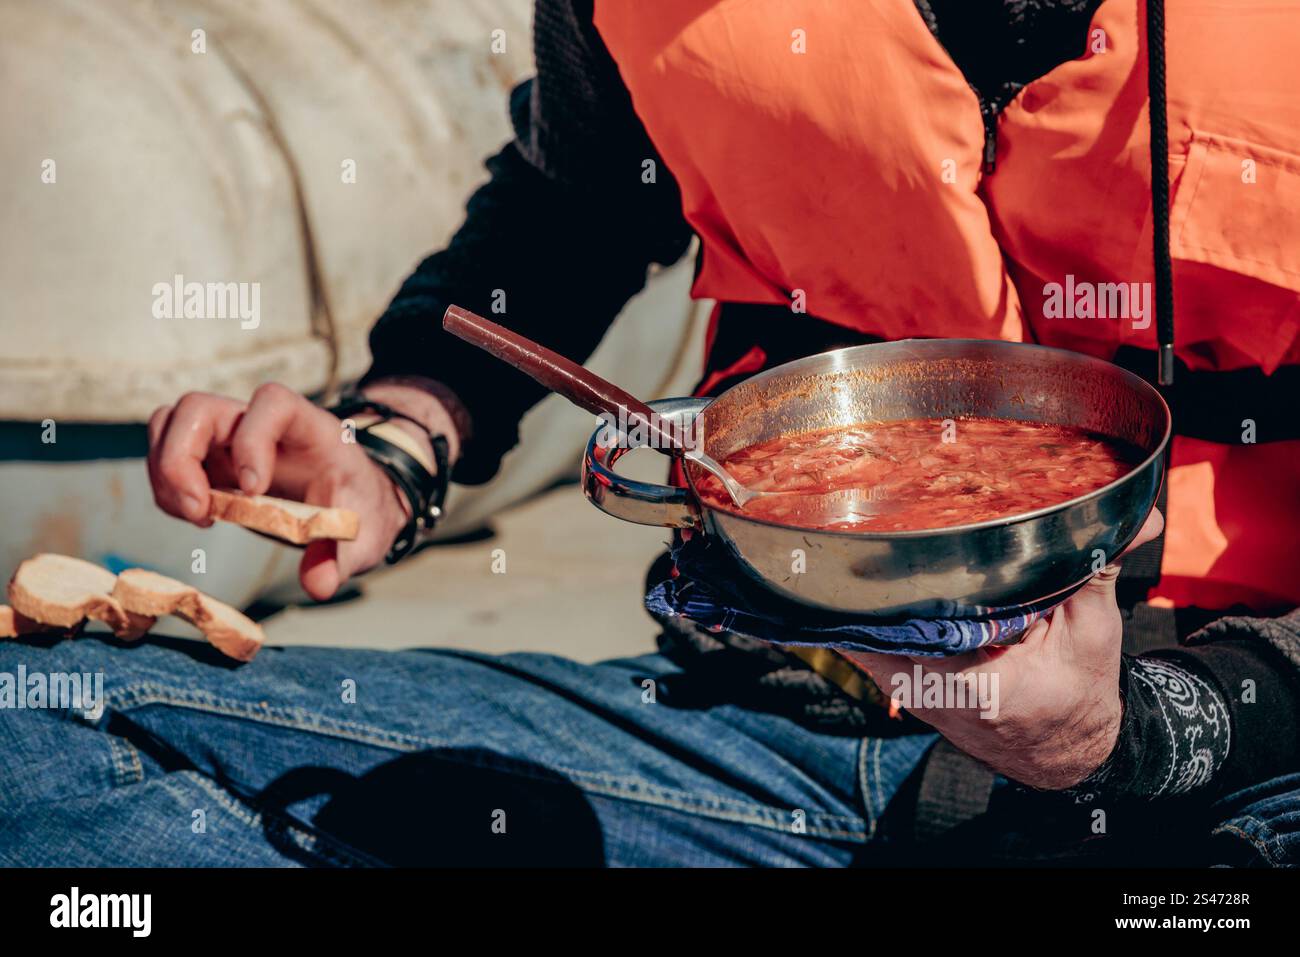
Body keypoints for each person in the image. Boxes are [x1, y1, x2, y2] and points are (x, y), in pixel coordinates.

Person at [3, 0, 1299, 867]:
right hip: (764, 737)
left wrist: (1138, 729)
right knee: (30, 720)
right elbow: (575, 207)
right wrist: (394, 442)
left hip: (1231, 759)